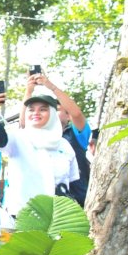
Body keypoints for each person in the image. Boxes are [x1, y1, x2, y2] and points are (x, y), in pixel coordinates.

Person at [0, 87, 81, 218]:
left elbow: (73, 183)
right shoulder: (17, 138)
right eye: (31, 109)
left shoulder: (64, 145)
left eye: (43, 109)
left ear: (52, 113)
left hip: (57, 218)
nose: (36, 113)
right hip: (22, 215)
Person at [29, 71, 91, 204]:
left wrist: (50, 86)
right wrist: (29, 91)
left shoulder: (75, 135)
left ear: (68, 116)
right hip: (42, 204)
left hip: (76, 203)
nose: (50, 112)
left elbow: (77, 114)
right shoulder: (33, 137)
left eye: (56, 109)